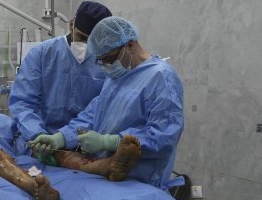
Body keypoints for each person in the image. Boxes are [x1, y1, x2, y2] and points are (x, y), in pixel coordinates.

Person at [48, 16, 183, 188]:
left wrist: (110, 142)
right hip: (106, 176)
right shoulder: (116, 77)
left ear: (130, 45)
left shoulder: (161, 77)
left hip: (140, 183)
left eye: (109, 59)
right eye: (101, 60)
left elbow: (164, 135)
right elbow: (91, 115)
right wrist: (61, 137)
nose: (105, 65)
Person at [9, 0, 112, 156]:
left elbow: (102, 108)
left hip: (88, 148)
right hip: (42, 141)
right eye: (82, 37)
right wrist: (38, 136)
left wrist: (67, 138)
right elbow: (23, 103)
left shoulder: (106, 61)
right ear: (71, 24)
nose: (87, 46)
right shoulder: (42, 54)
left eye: (93, 42)